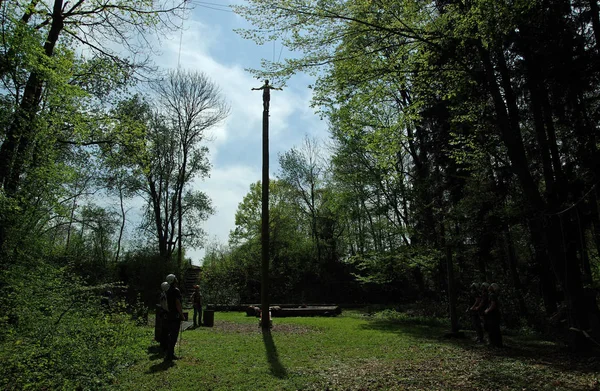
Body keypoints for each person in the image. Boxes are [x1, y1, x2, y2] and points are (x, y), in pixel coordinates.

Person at [165, 273, 184, 361]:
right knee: (174, 336)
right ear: (173, 280)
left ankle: (170, 354)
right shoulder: (176, 290)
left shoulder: (168, 291)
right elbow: (177, 303)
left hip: (169, 315)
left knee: (171, 335)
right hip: (175, 315)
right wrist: (182, 314)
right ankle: (170, 355)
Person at [485, 283, 503, 347]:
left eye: (491, 286)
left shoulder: (492, 295)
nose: (489, 286)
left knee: (493, 328)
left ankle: (494, 343)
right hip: (494, 314)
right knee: (495, 328)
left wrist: (488, 310)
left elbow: (493, 305)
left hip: (493, 314)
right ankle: (496, 343)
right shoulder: (493, 295)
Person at [158, 281, 170, 353]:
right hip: (166, 314)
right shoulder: (165, 296)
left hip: (164, 313)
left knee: (164, 330)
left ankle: (163, 345)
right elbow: (166, 306)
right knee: (166, 331)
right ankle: (165, 346)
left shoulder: (162, 294)